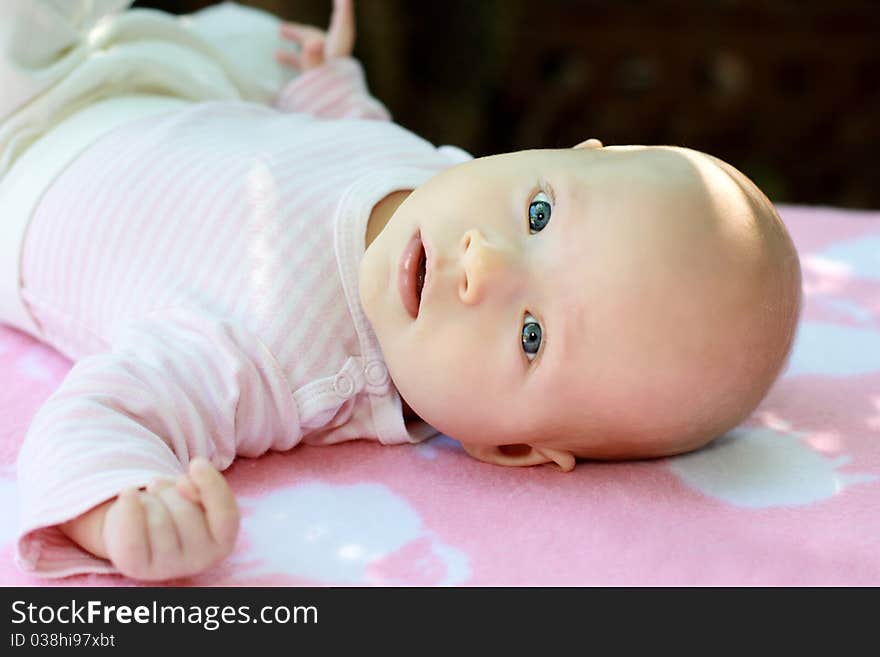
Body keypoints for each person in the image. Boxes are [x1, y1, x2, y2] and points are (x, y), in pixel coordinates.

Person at [1, 0, 802, 581]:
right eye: (540, 210)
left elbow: (96, 414)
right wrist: (327, 87)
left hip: (18, 170)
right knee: (254, 40)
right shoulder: (449, 178)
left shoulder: (280, 361)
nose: (484, 261)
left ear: (510, 447)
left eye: (532, 335)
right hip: (130, 84)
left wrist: (121, 508)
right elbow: (366, 136)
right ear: (563, 152)